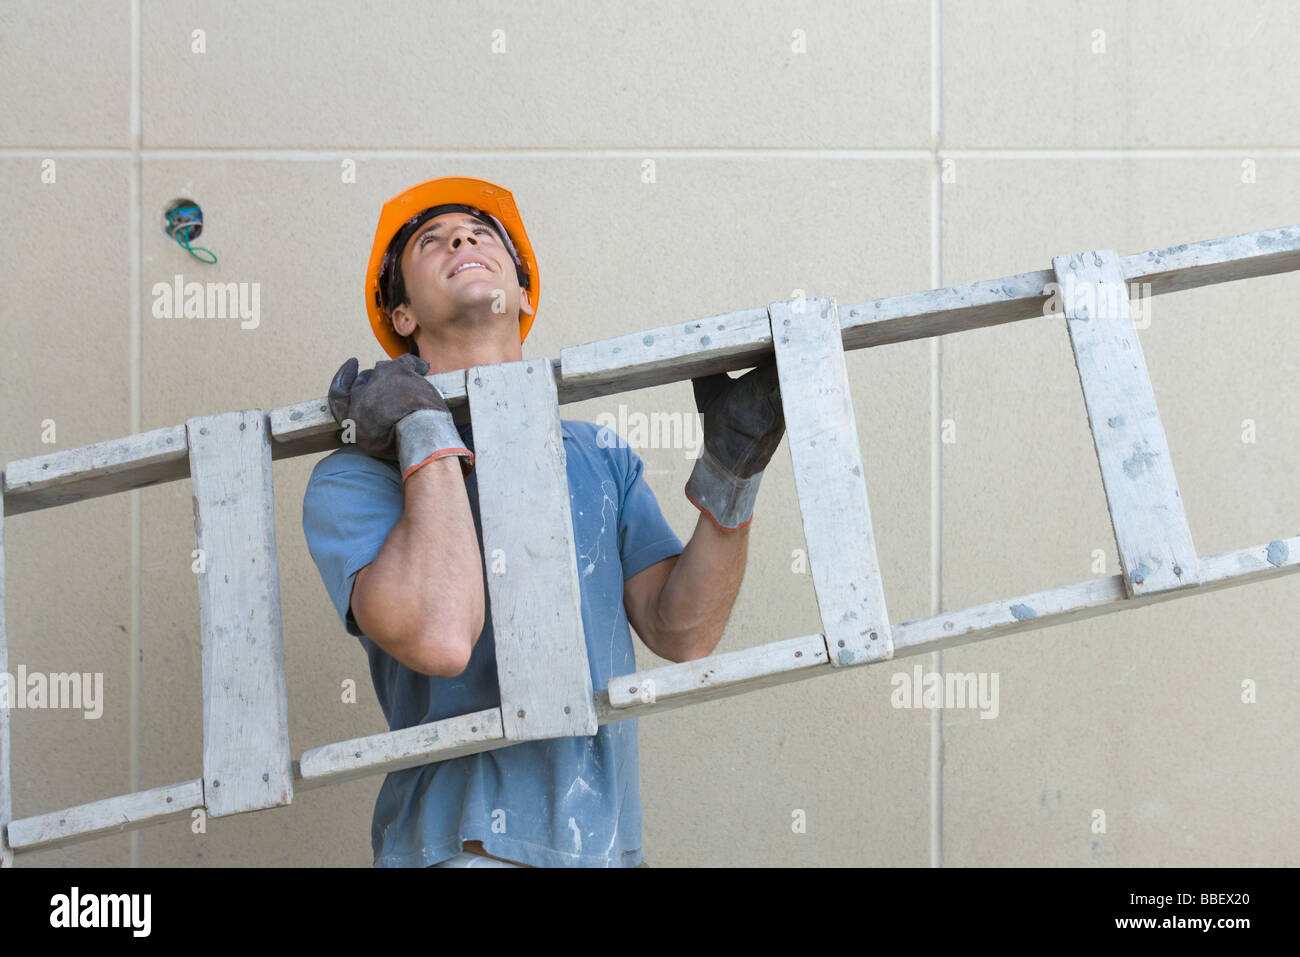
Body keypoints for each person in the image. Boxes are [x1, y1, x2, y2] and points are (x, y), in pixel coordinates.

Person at [301, 175, 785, 867]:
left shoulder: (597, 454)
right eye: (431, 241)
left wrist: (732, 478)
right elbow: (440, 636)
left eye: (479, 232)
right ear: (402, 316)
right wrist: (424, 432)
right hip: (466, 848)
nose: (462, 239)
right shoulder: (354, 478)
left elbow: (683, 632)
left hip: (609, 851)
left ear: (523, 294)